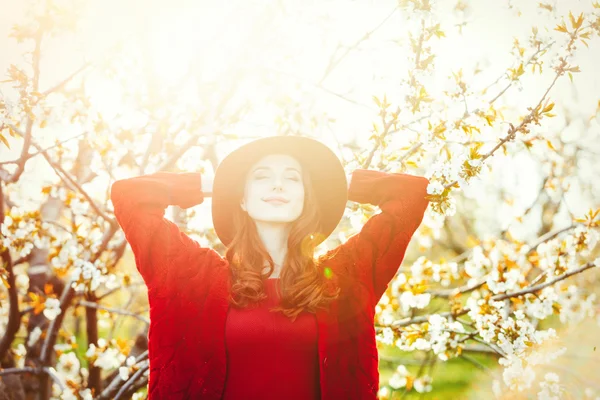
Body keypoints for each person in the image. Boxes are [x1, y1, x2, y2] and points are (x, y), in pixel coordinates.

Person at [110, 135, 430, 400]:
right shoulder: (192, 275)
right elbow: (131, 196)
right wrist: (216, 183)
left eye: (292, 179)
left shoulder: (345, 277)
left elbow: (409, 196)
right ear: (242, 199)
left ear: (307, 197)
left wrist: (336, 183)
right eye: (261, 177)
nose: (278, 186)